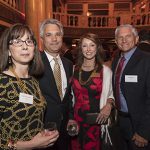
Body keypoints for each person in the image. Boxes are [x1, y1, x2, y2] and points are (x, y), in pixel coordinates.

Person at [0, 24, 59, 149]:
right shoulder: (2, 83)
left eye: (29, 41)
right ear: (8, 50)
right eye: (17, 41)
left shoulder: (33, 81)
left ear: (34, 48)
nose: (25, 46)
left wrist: (42, 134)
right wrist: (30, 145)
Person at [71, 33, 114, 150]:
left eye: (92, 45)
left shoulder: (105, 71)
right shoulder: (73, 69)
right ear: (81, 49)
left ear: (97, 47)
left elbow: (112, 94)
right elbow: (68, 97)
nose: (88, 49)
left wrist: (109, 105)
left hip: (96, 122)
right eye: (85, 46)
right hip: (76, 121)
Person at [38, 19, 75, 150]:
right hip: (42, 131)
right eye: (49, 35)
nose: (54, 39)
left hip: (65, 130)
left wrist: (71, 117)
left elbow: (69, 95)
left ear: (62, 37)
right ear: (42, 38)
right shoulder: (34, 63)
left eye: (57, 34)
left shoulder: (68, 64)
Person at [112, 24, 150, 150]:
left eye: (128, 36)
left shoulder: (146, 60)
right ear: (116, 41)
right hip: (120, 123)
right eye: (120, 37)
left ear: (136, 39)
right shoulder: (116, 61)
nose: (124, 40)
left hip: (139, 126)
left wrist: (144, 131)